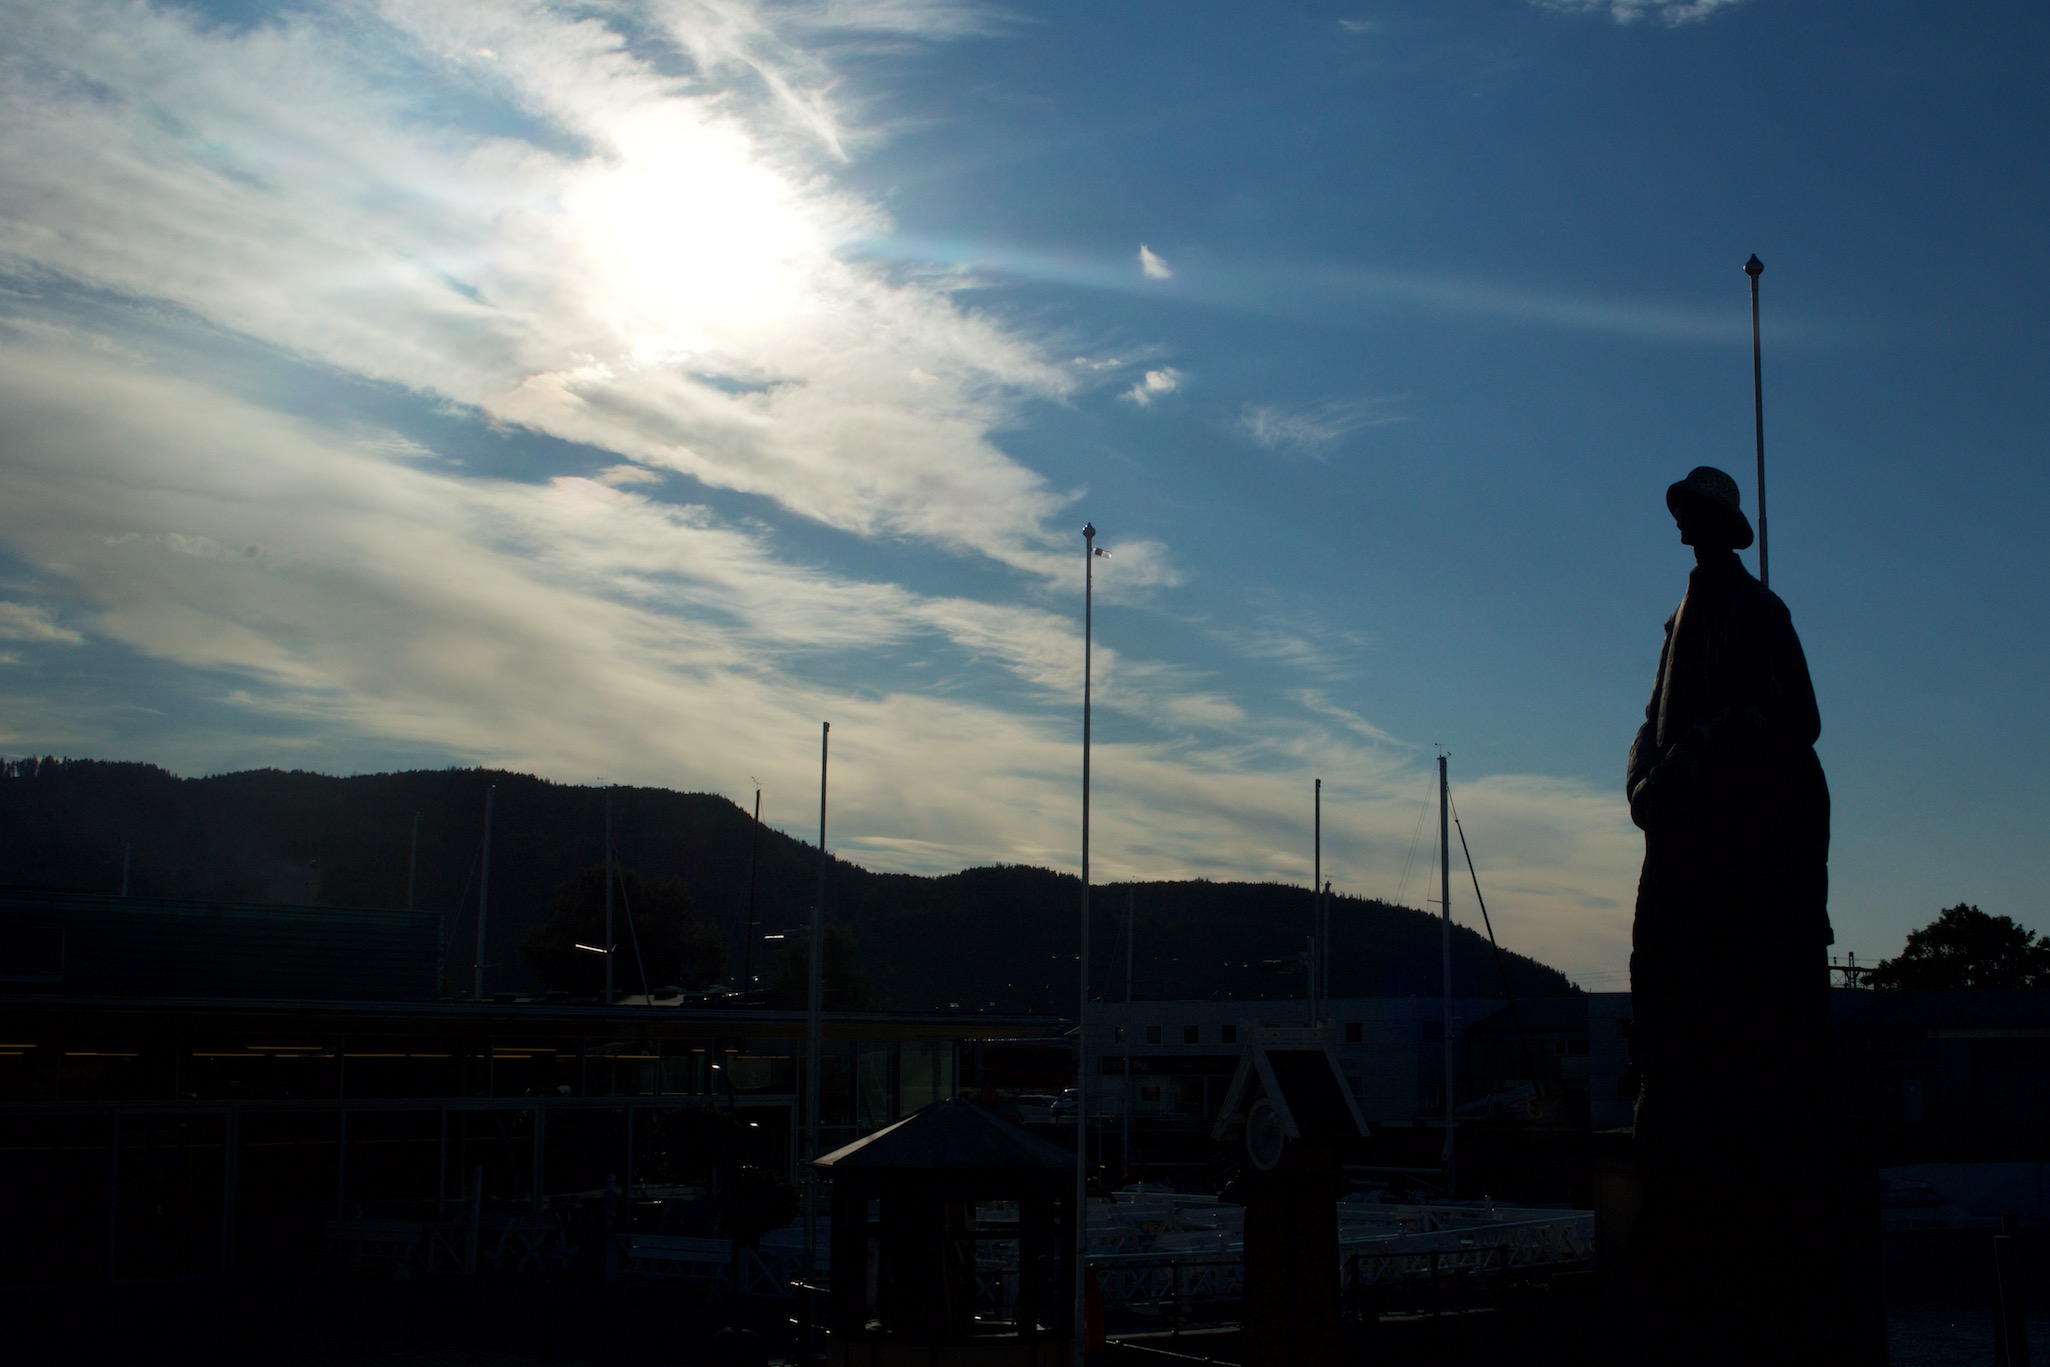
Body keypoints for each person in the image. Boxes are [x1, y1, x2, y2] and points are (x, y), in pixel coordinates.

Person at [1625, 466, 1836, 1365]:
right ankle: (1671, 1120)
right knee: (1662, 992)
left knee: (1736, 1022)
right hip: (1673, 849)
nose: (1683, 530)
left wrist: (1694, 761)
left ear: (1722, 525)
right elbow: (1648, 717)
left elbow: (1793, 717)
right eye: (1679, 517)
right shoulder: (1677, 621)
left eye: (1694, 516)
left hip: (1729, 855)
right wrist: (1640, 771)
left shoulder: (1759, 614)